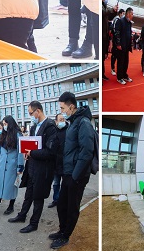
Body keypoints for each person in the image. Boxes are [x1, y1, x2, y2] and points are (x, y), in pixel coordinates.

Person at [50, 92, 95, 250]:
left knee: (71, 207)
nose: (62, 111)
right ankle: (62, 230)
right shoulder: (73, 122)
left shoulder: (83, 123)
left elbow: (86, 152)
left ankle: (65, 236)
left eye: (63, 108)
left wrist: (75, 175)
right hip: (68, 172)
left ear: (71, 106)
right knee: (62, 205)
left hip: (77, 175)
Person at [10, 101, 58, 233]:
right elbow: (32, 145)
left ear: (38, 111)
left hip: (43, 169)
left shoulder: (50, 127)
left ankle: (34, 223)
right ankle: (22, 215)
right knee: (28, 194)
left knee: (38, 197)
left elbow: (50, 152)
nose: (30, 116)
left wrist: (32, 153)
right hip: (31, 167)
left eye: (31, 113)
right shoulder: (33, 127)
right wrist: (27, 153)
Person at [0, 116, 23, 216]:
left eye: (5, 124)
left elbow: (20, 152)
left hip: (12, 165)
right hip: (2, 164)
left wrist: (20, 166)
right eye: (3, 124)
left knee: (12, 186)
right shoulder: (2, 135)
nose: (4, 126)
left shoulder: (18, 135)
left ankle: (11, 206)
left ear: (10, 124)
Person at [49, 113, 68, 209]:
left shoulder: (69, 131)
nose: (62, 122)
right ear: (56, 121)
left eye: (63, 120)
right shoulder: (53, 132)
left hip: (65, 163)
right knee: (56, 183)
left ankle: (64, 201)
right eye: (60, 120)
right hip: (55, 163)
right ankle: (56, 200)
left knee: (65, 184)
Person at [113, 7, 134, 85]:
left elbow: (129, 34)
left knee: (126, 62)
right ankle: (119, 77)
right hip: (121, 46)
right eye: (132, 14)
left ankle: (124, 75)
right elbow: (117, 33)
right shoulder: (120, 21)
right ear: (128, 14)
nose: (132, 15)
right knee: (120, 62)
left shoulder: (129, 23)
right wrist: (118, 44)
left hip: (127, 46)